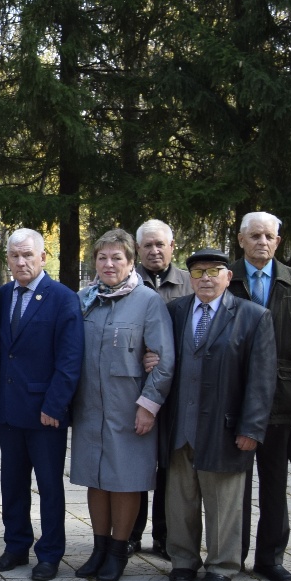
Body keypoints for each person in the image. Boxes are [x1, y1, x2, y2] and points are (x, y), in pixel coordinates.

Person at [160, 249, 276, 581]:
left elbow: (262, 380)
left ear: (229, 277)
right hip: (181, 424)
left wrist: (251, 428)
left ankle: (222, 565)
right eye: (197, 272)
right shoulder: (175, 312)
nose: (206, 278)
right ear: (189, 278)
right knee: (180, 500)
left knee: (224, 503)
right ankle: (182, 560)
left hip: (225, 429)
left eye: (214, 271)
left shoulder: (253, 317)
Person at [70, 229, 174, 581]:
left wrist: (148, 405)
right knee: (95, 480)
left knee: (125, 481)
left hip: (129, 410)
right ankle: (98, 549)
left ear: (131, 263)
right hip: (90, 408)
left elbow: (163, 360)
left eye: (117, 258)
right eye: (102, 258)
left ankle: (118, 551)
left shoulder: (148, 301)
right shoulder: (83, 299)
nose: (109, 264)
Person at [228, 211, 291, 581]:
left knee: (274, 484)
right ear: (241, 240)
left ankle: (270, 558)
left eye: (269, 236)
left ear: (278, 242)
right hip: (234, 398)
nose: (262, 241)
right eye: (254, 236)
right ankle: (230, 557)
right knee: (234, 485)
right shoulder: (225, 279)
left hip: (283, 398)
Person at [0, 229, 83, 581]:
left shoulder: (62, 298)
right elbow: (0, 352)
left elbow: (70, 359)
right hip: (10, 409)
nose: (21, 262)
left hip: (45, 411)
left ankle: (50, 553)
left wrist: (55, 405)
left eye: (28, 255)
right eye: (14, 256)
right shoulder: (2, 296)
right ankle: (15, 546)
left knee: (48, 484)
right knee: (11, 482)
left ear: (44, 258)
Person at [129, 218, 193, 559]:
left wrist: (168, 359)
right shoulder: (128, 280)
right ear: (138, 250)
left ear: (172, 247)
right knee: (138, 462)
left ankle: (166, 535)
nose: (154, 250)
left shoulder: (188, 283)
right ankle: (131, 533)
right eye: (148, 245)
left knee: (171, 465)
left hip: (178, 391)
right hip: (136, 389)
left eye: (160, 244)